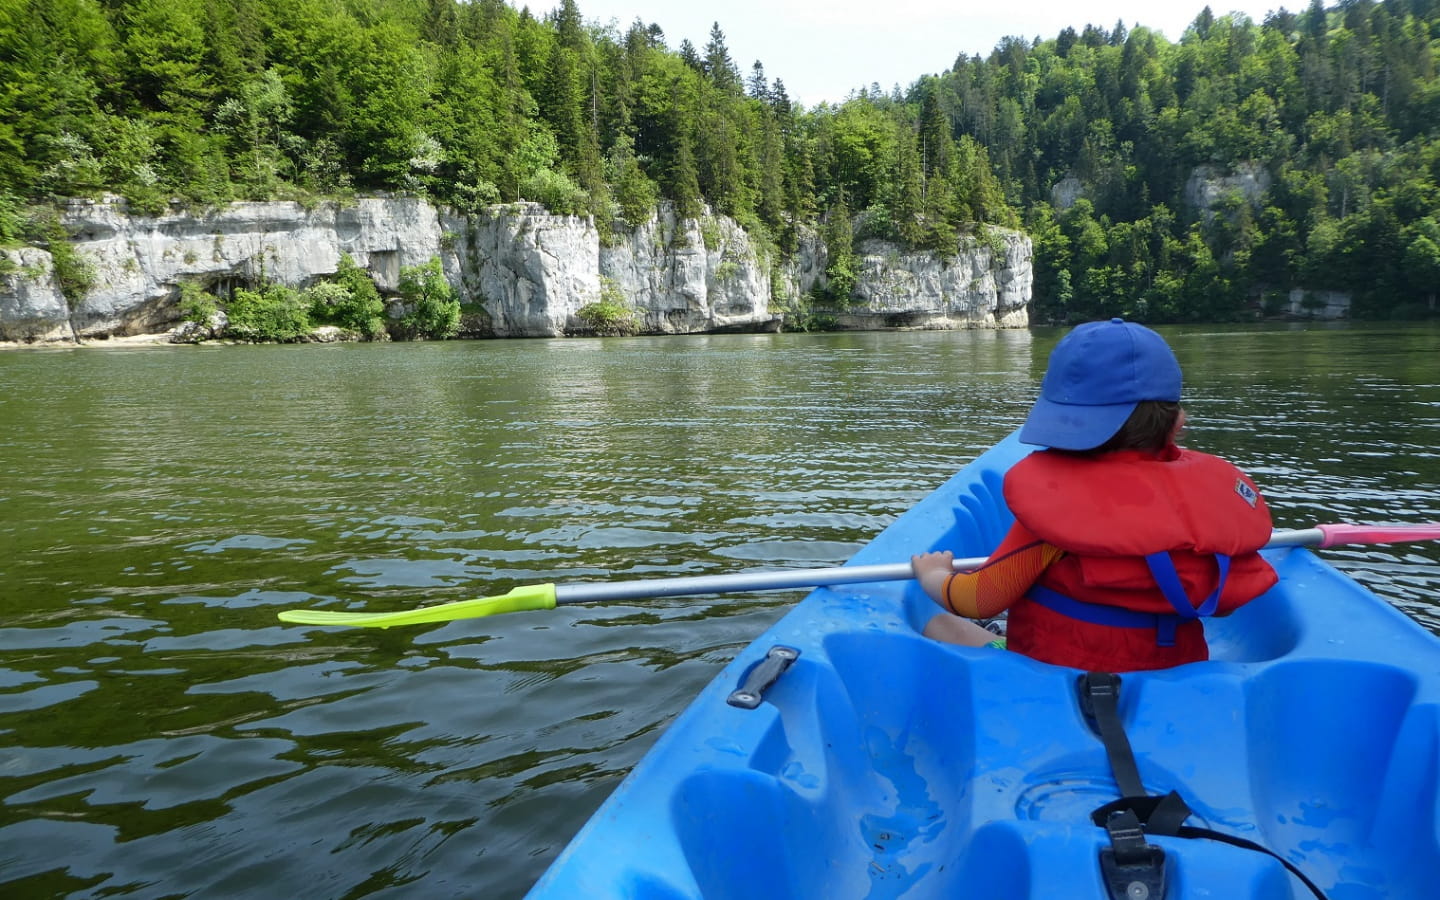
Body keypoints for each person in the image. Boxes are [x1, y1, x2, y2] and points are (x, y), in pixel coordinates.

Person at [912, 318, 1279, 672]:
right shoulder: (1208, 512)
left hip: (1052, 673)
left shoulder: (1058, 514)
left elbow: (979, 599)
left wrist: (936, 575)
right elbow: (1226, 605)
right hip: (1175, 675)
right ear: (1177, 425)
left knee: (942, 626)